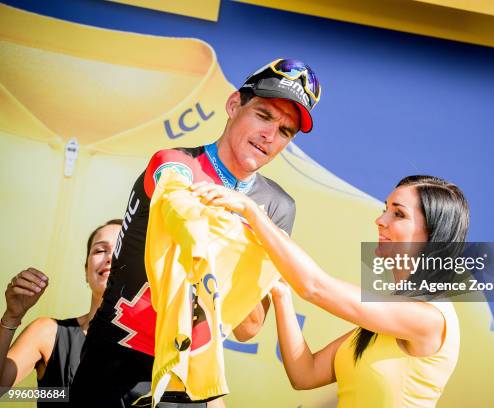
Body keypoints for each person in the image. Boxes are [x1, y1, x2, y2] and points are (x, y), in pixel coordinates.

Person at [70, 58, 322, 407]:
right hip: (114, 367)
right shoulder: (175, 162)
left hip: (188, 381)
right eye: (263, 116)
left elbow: (247, 328)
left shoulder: (278, 207)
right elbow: (178, 206)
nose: (270, 135)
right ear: (234, 105)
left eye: (285, 131)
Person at [191, 175, 469, 407]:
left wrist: (251, 211)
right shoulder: (386, 321)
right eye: (385, 208)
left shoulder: (429, 317)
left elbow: (315, 287)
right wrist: (280, 294)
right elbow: (305, 374)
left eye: (398, 213)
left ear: (432, 236)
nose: (380, 220)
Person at [0, 219, 122, 407]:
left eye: (121, 249)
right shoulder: (48, 333)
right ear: (86, 271)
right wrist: (12, 317)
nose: (110, 257)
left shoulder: (159, 344)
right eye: (99, 250)